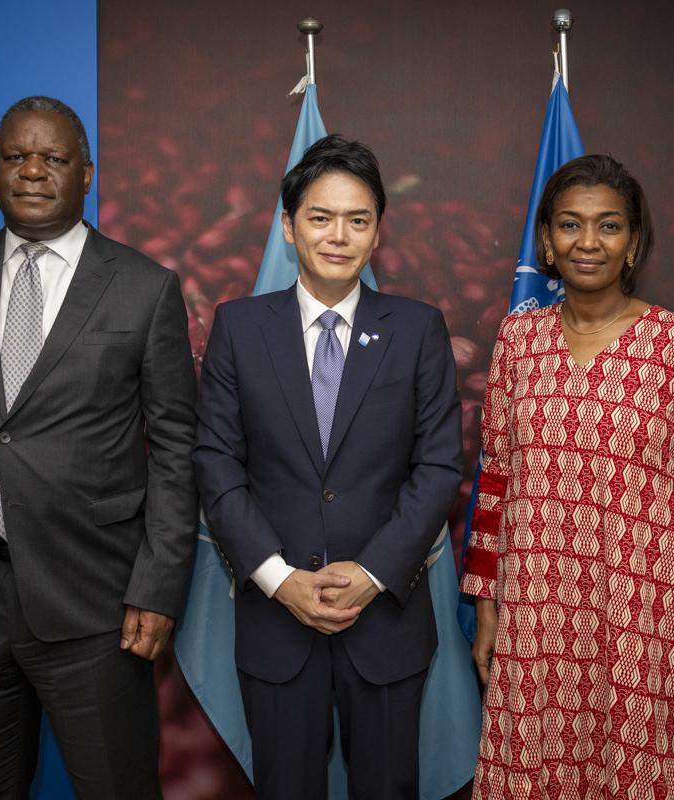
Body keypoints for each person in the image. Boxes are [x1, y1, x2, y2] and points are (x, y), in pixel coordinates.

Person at [0, 96, 197, 799]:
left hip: (98, 605)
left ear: (86, 173)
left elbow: (177, 449)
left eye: (52, 158)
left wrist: (157, 586)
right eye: (15, 156)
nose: (31, 171)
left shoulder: (145, 289)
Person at [461, 154, 674, 800]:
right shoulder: (517, 342)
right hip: (536, 630)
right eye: (570, 224)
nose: (587, 241)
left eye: (609, 225)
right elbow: (497, 481)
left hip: (648, 637)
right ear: (546, 241)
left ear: (634, 242)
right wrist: (487, 608)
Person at [192, 135, 463, 799]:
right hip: (276, 619)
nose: (338, 236)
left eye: (357, 219)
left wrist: (371, 574)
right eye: (320, 217)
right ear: (289, 227)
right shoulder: (239, 327)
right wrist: (280, 579)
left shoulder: (417, 329)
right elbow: (216, 462)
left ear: (377, 232)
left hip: (386, 620)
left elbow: (437, 467)